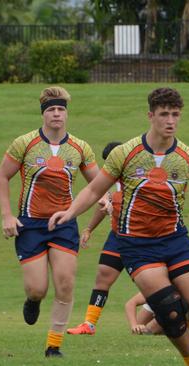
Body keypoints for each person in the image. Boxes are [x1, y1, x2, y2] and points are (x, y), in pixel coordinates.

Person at [48, 87, 189, 366]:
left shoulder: (188, 156)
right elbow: (94, 190)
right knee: (168, 308)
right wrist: (70, 212)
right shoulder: (126, 153)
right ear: (150, 115)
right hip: (137, 244)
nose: (170, 120)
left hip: (175, 240)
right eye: (164, 114)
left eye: (175, 114)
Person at [0, 86, 99, 357]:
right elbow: (1, 176)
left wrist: (106, 200)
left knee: (65, 283)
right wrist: (7, 215)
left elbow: (98, 184)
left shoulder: (80, 148)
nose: (56, 114)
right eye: (51, 109)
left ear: (66, 114)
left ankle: (54, 345)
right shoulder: (24, 143)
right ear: (43, 113)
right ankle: (33, 300)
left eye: (60, 109)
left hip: (64, 223)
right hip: (29, 225)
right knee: (37, 287)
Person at [67, 141, 124, 335]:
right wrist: (89, 228)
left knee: (152, 284)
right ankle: (89, 324)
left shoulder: (138, 177)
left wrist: (115, 206)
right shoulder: (110, 182)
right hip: (117, 237)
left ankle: (172, 319)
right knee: (102, 276)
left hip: (141, 239)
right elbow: (103, 204)